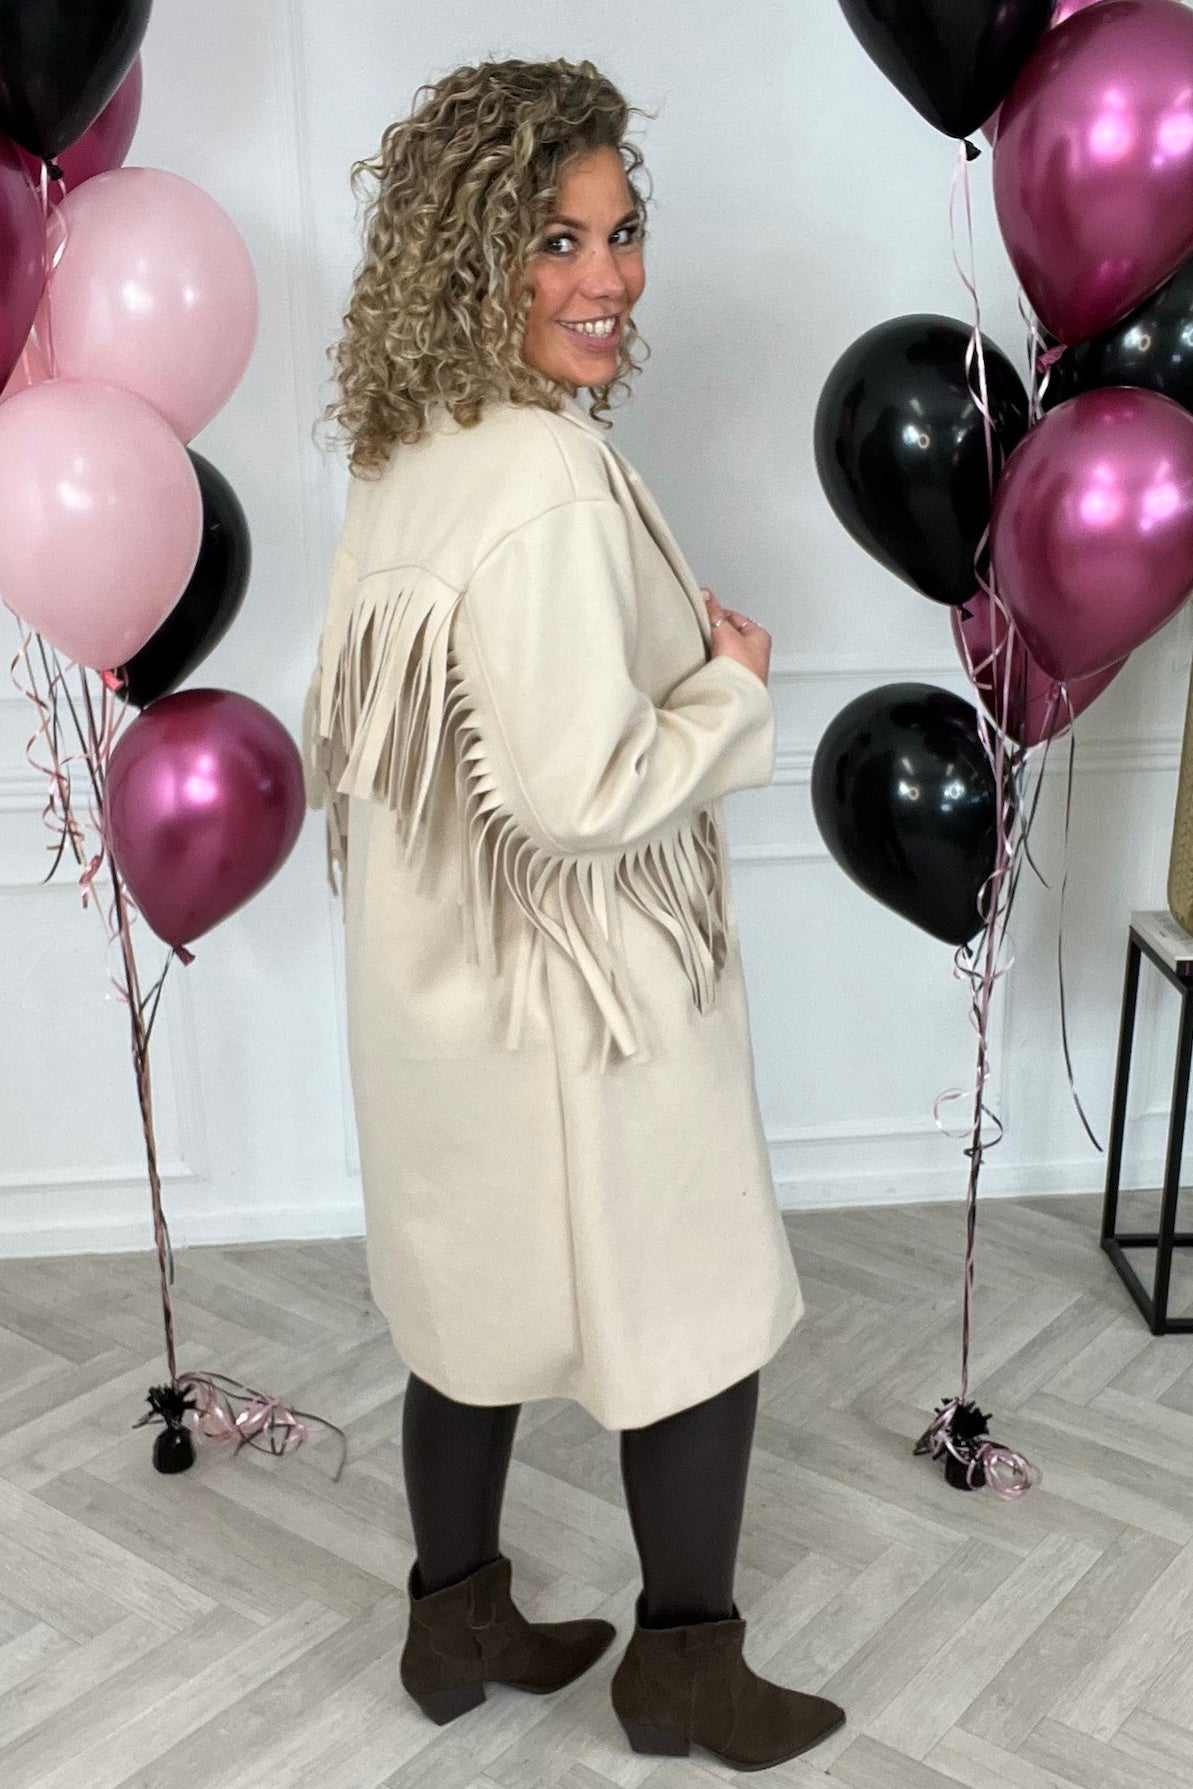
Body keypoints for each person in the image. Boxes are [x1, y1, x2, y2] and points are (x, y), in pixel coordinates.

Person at [303, 55, 845, 1770]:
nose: (606, 277)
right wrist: (728, 689)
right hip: (585, 999)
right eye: (556, 239)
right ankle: (685, 1672)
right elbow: (574, 792)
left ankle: (452, 1622)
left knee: (465, 1316)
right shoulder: (540, 475)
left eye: (618, 232)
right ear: (472, 254)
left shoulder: (410, 452)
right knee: (688, 1315)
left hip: (442, 988)